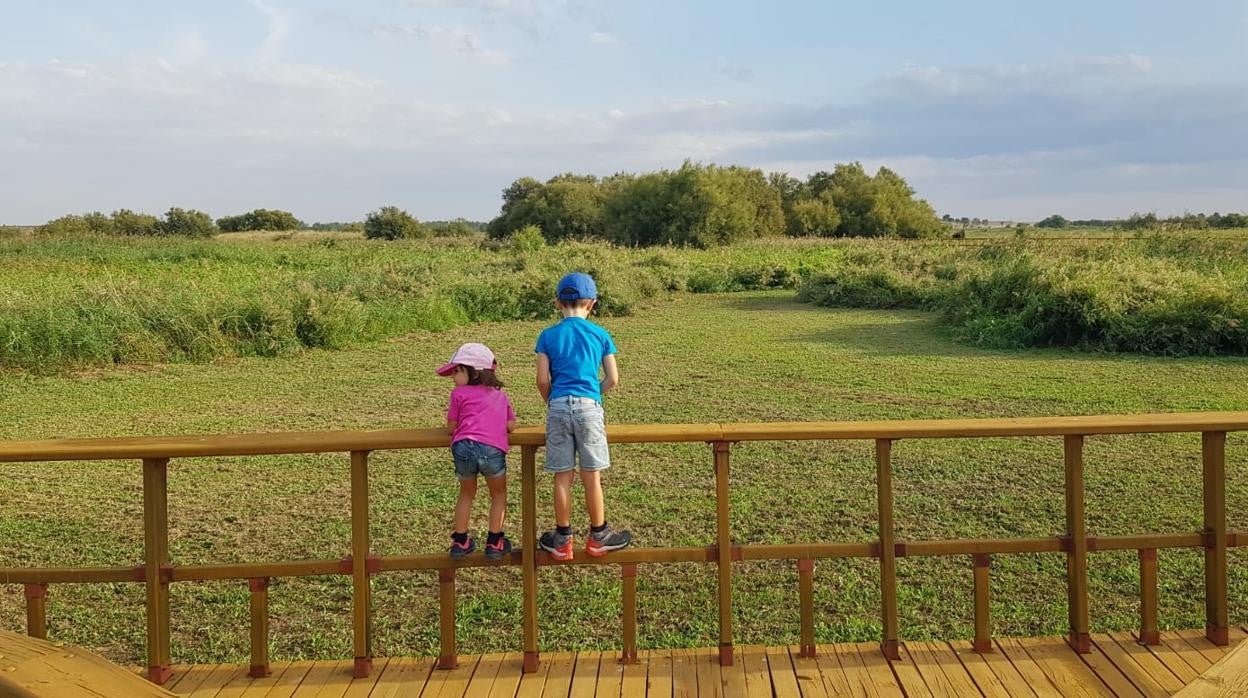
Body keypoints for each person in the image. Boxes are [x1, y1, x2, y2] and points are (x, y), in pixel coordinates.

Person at [535, 272, 632, 559]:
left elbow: (542, 380)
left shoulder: (547, 335)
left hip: (558, 406)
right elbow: (613, 378)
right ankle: (599, 535)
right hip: (589, 407)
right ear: (592, 303)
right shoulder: (600, 334)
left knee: (562, 476)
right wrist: (595, 395)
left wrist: (552, 400)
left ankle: (563, 539)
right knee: (592, 476)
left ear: (557, 303)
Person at [436, 342, 516, 560]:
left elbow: (451, 427)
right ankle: (495, 541)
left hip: (463, 447)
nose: (453, 377)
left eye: (457, 371)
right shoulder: (499, 395)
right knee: (498, 494)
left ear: (473, 372)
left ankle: (461, 541)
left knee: (467, 493)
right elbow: (510, 426)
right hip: (492, 449)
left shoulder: (458, 394)